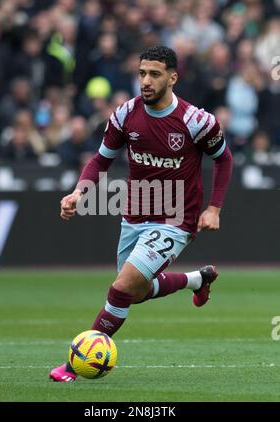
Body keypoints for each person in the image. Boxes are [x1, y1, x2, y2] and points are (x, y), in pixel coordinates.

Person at [50, 46, 233, 382]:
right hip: (134, 215)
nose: (146, 81)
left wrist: (214, 208)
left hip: (177, 218)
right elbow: (101, 160)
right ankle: (198, 279)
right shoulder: (124, 115)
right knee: (134, 292)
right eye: (142, 73)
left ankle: (76, 364)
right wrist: (78, 192)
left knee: (121, 289)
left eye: (155, 74)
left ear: (173, 78)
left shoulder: (196, 121)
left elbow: (224, 159)